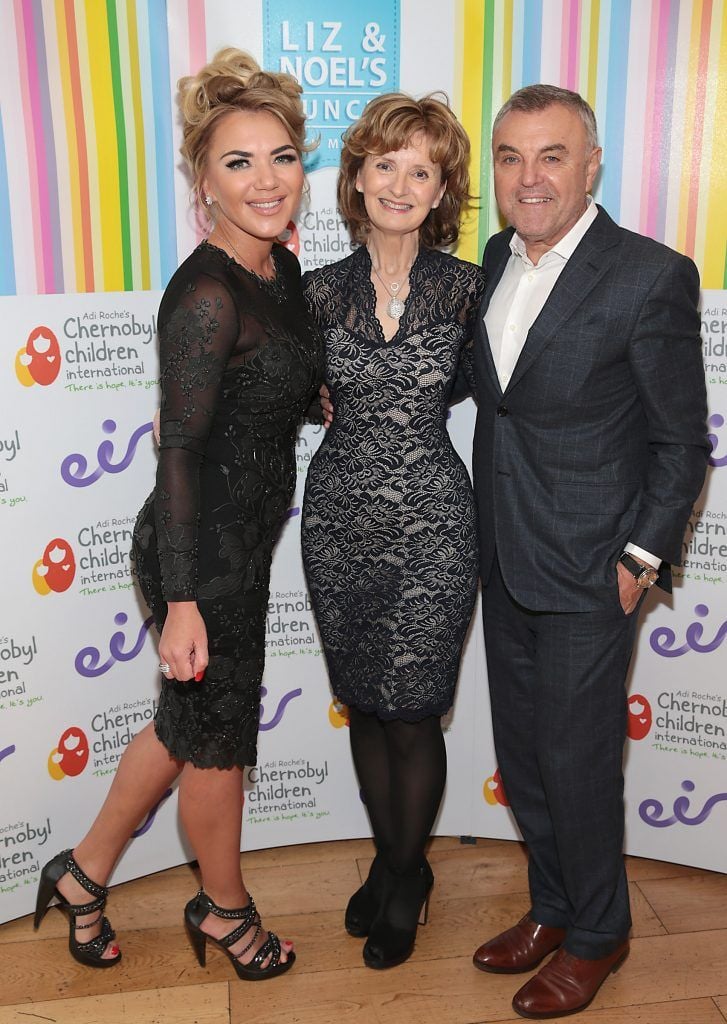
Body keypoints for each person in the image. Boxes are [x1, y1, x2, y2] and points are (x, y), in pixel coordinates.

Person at [34, 49, 322, 981]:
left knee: (179, 732)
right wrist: (188, 600)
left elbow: (264, 379)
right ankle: (225, 910)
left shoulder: (277, 270)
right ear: (204, 183)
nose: (265, 180)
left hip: (238, 550)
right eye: (238, 163)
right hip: (201, 558)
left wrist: (305, 396)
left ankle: (81, 877)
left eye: (281, 157)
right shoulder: (204, 292)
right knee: (216, 747)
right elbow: (182, 448)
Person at [469, 85, 709, 1018]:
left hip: (590, 566)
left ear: (592, 164)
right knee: (524, 756)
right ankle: (554, 908)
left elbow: (680, 440)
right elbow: (488, 388)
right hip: (501, 551)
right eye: (509, 157)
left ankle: (600, 935)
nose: (528, 179)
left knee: (574, 759)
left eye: (551, 156)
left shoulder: (649, 274)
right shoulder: (492, 258)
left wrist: (641, 558)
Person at [302, 93, 485, 970]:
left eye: (423, 168)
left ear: (441, 186)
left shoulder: (467, 289)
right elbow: (287, 393)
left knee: (412, 714)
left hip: (434, 529)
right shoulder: (313, 292)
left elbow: (497, 395)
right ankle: (390, 859)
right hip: (337, 523)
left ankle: (406, 879)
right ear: (358, 177)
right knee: (366, 710)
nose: (402, 182)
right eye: (386, 164)